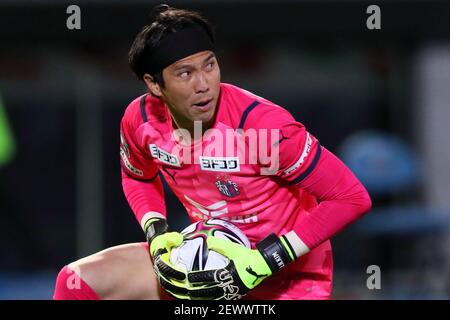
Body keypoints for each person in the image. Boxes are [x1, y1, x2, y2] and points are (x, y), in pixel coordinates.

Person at [53, 4, 371, 300]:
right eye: (185, 73)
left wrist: (267, 259)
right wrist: (156, 229)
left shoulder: (261, 127)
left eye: (210, 65)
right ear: (153, 84)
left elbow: (351, 198)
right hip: (205, 262)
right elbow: (137, 176)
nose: (204, 84)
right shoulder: (142, 120)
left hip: (286, 277)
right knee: (75, 280)